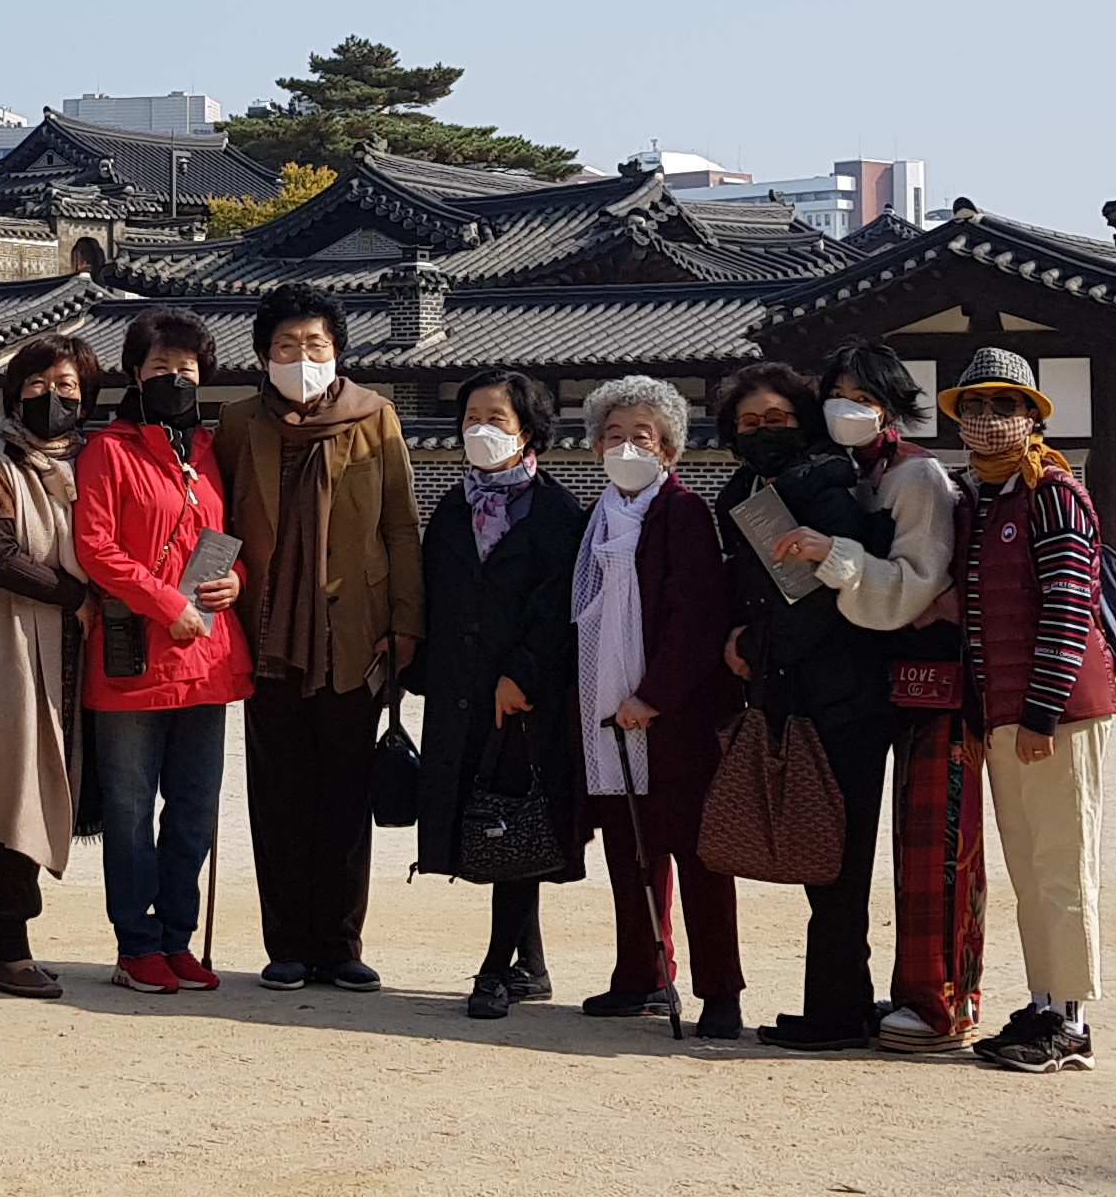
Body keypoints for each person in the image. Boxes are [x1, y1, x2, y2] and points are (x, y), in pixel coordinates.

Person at [715, 344, 960, 1054]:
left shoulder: (879, 481)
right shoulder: (789, 484)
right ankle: (840, 1000)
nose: (765, 430)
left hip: (860, 691)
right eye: (750, 421)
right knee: (824, 850)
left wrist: (759, 642)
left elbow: (840, 602)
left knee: (843, 857)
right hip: (809, 691)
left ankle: (839, 1010)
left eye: (778, 418)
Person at [215, 283, 424, 992]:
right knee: (278, 795)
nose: (301, 357)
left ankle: (340, 943)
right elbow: (218, 520)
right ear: (263, 354)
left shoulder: (375, 417)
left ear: (337, 351)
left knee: (345, 793)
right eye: (286, 345)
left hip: (353, 632)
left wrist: (405, 622)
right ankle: (287, 944)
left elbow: (400, 525)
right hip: (267, 631)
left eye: (315, 344)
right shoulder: (239, 422)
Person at [940, 345, 1116, 1074]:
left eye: (1004, 405)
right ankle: (1043, 1001)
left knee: (1061, 865)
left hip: (1054, 713)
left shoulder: (1052, 493)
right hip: (1001, 710)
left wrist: (1043, 712)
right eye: (974, 406)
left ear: (1033, 417)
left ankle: (1071, 1020)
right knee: (1026, 867)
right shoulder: (978, 498)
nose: (988, 419)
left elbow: (1070, 607)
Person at [74, 309, 253, 994]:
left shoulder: (207, 449)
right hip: (135, 654)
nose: (175, 379)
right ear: (135, 373)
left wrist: (236, 582)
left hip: (205, 656)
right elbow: (95, 546)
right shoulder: (109, 449)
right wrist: (164, 602)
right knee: (129, 808)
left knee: (194, 809)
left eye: (186, 369)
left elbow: (228, 536)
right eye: (160, 368)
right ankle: (136, 942)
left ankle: (178, 936)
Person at [570, 373, 746, 1038]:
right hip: (606, 712)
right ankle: (641, 974)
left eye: (640, 436)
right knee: (631, 853)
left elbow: (695, 620)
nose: (624, 447)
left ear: (669, 449)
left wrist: (654, 696)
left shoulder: (683, 512)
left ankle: (721, 991)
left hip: (676, 718)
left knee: (698, 859)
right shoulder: (595, 519)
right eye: (612, 435)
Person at [406, 368, 585, 1019]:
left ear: (528, 431)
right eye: (471, 418)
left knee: (512, 819)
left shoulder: (557, 512)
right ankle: (530, 962)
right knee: (489, 818)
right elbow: (434, 595)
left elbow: (560, 606)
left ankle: (495, 969)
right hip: (460, 690)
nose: (480, 430)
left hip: (522, 697)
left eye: (496, 420)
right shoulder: (454, 507)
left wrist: (523, 674)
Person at [0, 334, 98, 999]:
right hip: (10, 645)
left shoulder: (85, 463)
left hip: (69, 652)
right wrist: (75, 596)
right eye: (37, 384)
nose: (51, 397)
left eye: (66, 386)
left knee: (45, 784)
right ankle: (10, 944)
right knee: (11, 790)